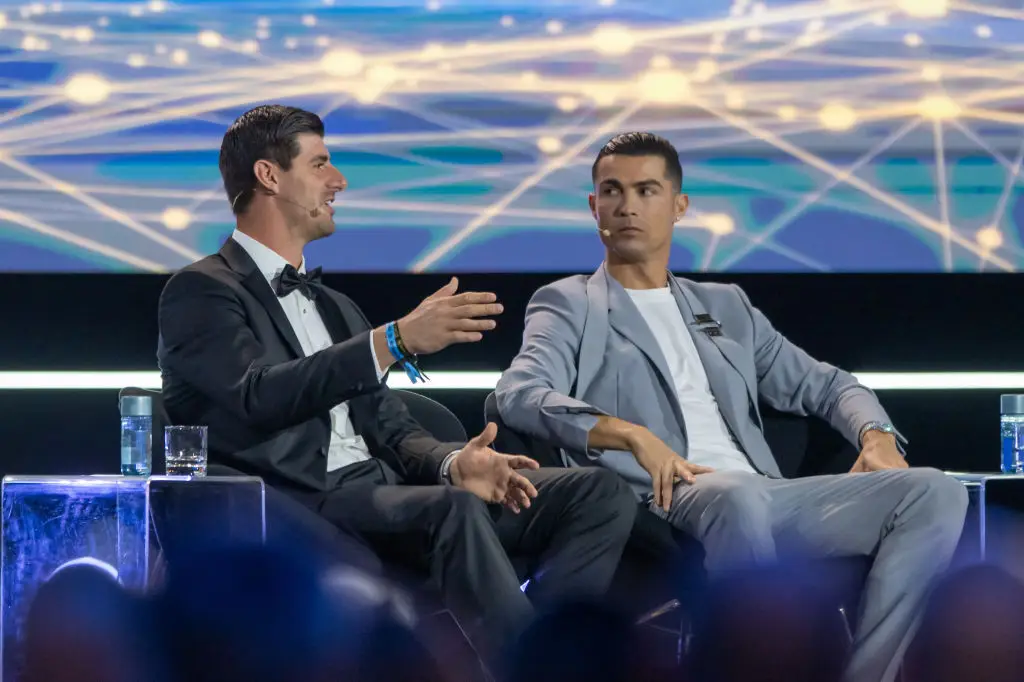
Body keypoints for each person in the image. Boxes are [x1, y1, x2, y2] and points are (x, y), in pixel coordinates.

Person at [156, 105, 638, 666]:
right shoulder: (202, 290)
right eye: (320, 165)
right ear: (269, 176)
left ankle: (538, 657)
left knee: (597, 494)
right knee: (453, 513)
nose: (339, 181)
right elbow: (257, 394)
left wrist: (453, 463)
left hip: (390, 493)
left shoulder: (336, 307)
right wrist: (392, 341)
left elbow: (390, 426)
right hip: (305, 503)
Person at [494, 131, 969, 682]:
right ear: (593, 205)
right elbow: (518, 392)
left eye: (646, 190)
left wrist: (876, 434)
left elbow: (829, 384)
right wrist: (628, 434)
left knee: (934, 491)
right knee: (738, 495)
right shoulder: (568, 302)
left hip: (767, 493)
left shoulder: (727, 306)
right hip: (661, 495)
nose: (626, 206)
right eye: (611, 190)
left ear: (679, 206)